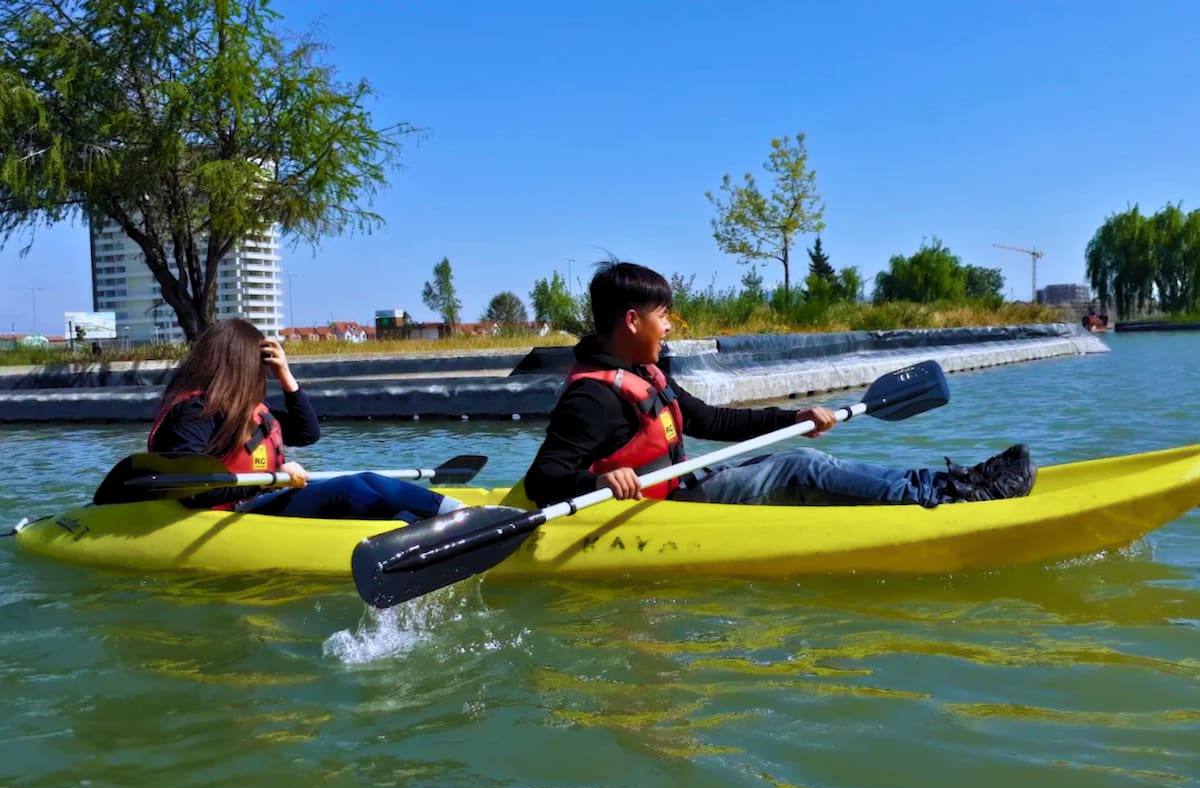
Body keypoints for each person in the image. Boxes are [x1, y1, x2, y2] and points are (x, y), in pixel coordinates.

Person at [523, 260, 1036, 509]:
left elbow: (710, 420)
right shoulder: (593, 395)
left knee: (801, 455)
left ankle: (939, 483)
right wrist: (601, 482)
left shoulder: (647, 374)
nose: (672, 325)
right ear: (633, 322)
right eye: (665, 316)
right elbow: (543, 480)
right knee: (798, 466)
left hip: (679, 490)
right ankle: (948, 497)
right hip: (655, 514)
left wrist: (793, 417)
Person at [148, 318, 461, 521]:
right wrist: (271, 477)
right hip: (229, 514)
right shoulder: (193, 414)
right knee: (348, 489)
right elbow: (191, 488)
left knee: (368, 479)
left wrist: (286, 377)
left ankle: (450, 513)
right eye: (258, 364)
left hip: (261, 500)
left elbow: (307, 433)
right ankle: (412, 528)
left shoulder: (243, 410)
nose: (259, 372)